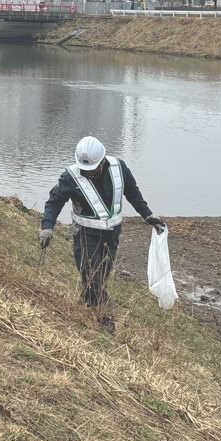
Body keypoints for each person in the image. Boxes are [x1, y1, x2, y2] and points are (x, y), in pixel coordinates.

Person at [38, 136, 166, 327]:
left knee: (101, 277)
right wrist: (47, 227)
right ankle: (106, 320)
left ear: (102, 160)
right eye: (86, 169)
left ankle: (84, 309)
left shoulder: (119, 168)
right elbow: (54, 202)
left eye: (93, 168)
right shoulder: (70, 177)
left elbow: (133, 193)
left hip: (111, 235)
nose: (89, 172)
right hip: (85, 236)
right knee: (92, 277)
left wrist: (147, 215)